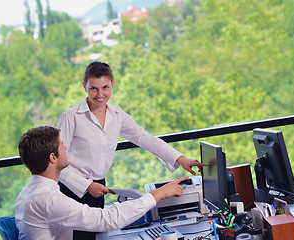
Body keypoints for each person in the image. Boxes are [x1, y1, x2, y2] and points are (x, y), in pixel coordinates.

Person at [57, 61, 205, 239]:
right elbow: (57, 164)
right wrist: (87, 186)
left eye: (105, 87)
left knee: (95, 237)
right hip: (72, 190)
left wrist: (181, 159)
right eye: (93, 89)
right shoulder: (70, 117)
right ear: (84, 87)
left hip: (98, 188)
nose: (100, 94)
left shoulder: (117, 116)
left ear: (112, 84)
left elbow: (144, 138)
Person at [15, 126, 188, 240]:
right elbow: (106, 220)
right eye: (62, 145)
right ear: (53, 157)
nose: (66, 148)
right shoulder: (48, 199)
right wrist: (158, 194)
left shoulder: (31, 192)